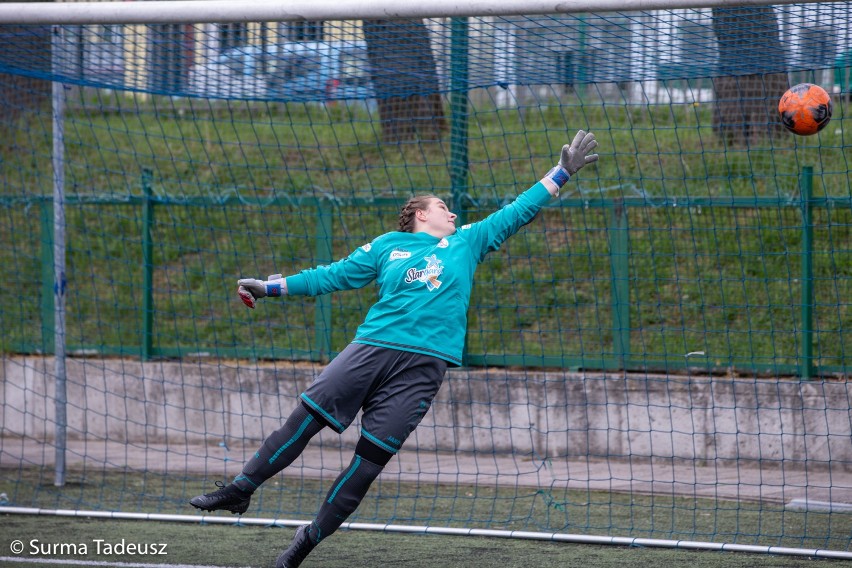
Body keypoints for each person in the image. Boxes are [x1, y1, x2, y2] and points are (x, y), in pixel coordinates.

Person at [189, 130, 599, 567]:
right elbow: (331, 275)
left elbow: (517, 211)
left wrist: (562, 173)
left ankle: (303, 544)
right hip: (372, 348)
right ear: (421, 214)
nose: (453, 212)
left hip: (424, 368)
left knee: (367, 466)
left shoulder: (468, 241)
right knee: (304, 419)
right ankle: (241, 489)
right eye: (444, 206)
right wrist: (271, 287)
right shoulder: (388, 246)